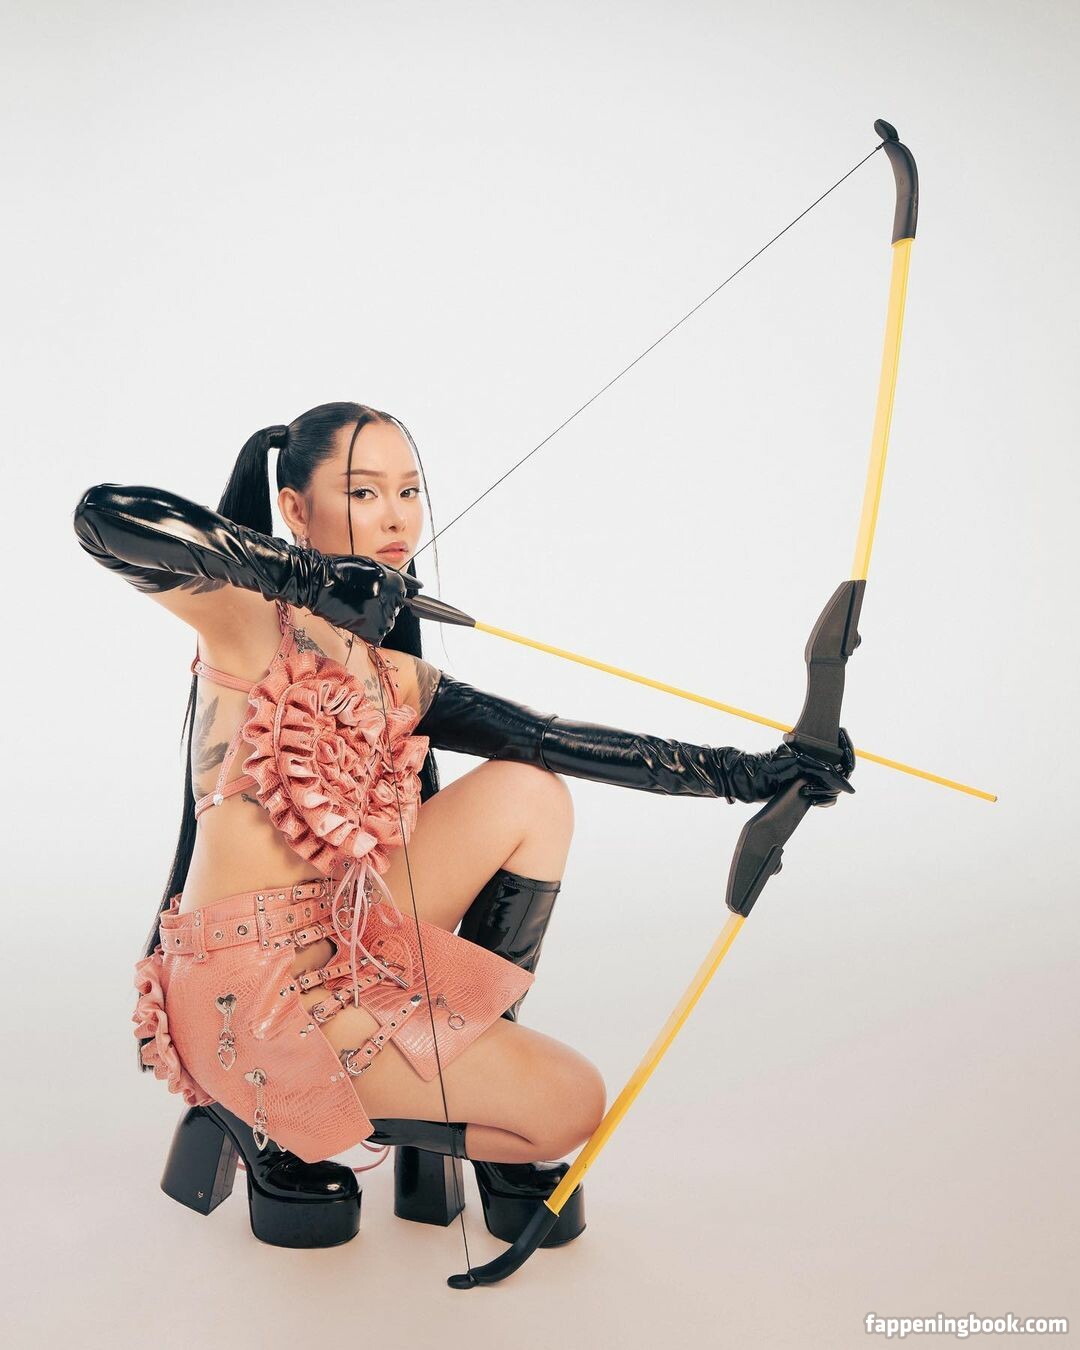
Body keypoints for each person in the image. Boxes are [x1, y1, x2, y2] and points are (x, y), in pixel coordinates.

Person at [72, 399, 855, 1250]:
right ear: (295, 508)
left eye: (409, 492)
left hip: (339, 940)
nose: (396, 517)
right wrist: (304, 579)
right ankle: (270, 1114)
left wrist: (748, 774)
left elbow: (556, 740)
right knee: (569, 1104)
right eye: (363, 492)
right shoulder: (244, 619)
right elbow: (105, 518)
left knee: (531, 792)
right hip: (248, 992)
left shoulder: (393, 675)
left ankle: (439, 1067)